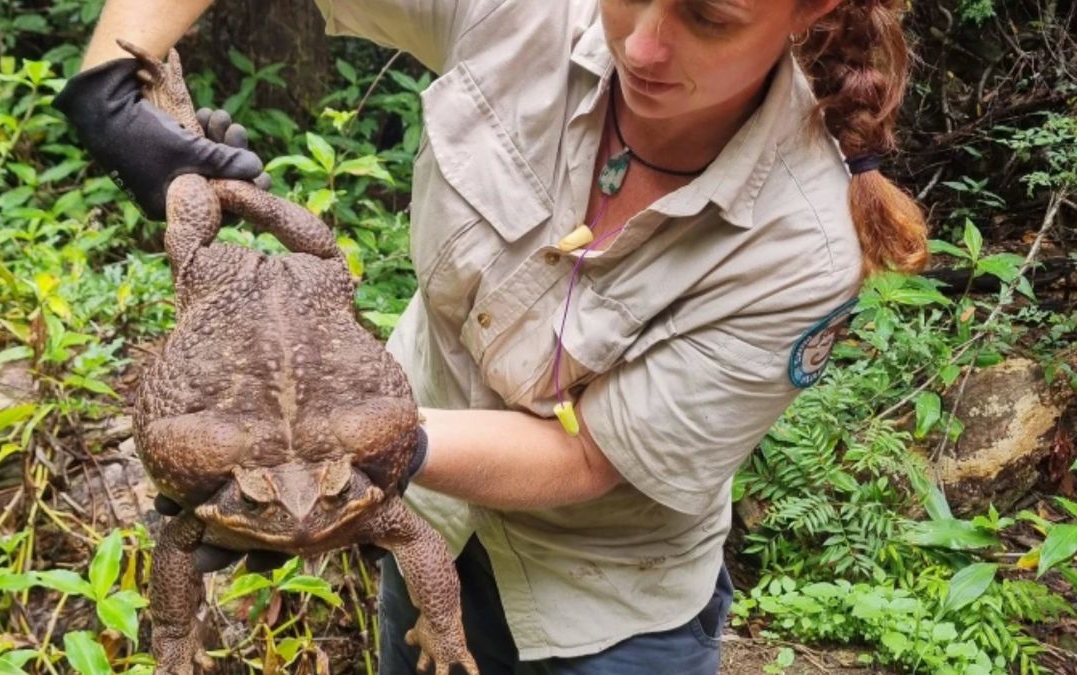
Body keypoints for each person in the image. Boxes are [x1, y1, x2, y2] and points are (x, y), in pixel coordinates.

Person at [55, 0, 929, 673]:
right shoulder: (530, 15)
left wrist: (358, 444)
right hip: (423, 523)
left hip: (603, 610)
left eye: (707, 16)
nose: (645, 45)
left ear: (810, 10)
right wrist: (111, 94)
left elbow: (592, 457)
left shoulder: (803, 246)